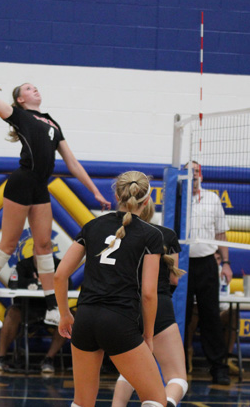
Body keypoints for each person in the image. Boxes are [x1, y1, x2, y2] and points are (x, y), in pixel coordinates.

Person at [0, 83, 111, 330]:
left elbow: (73, 163)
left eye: (35, 87)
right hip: (22, 181)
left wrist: (95, 190)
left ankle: (52, 308)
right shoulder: (19, 115)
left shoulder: (52, 123)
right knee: (9, 244)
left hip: (40, 186)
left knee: (44, 245)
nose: (35, 90)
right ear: (20, 99)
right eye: (28, 88)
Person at [54, 171, 167, 407]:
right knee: (156, 400)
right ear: (146, 201)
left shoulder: (91, 226)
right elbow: (148, 293)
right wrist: (147, 335)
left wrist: (65, 315)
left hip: (84, 319)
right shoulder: (152, 235)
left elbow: (60, 275)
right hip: (118, 321)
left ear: (116, 194)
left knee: (82, 402)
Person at [111, 199, 188, 407]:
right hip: (158, 303)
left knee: (130, 371)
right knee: (177, 378)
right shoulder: (166, 234)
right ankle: (163, 403)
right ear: (149, 209)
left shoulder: (119, 234)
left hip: (125, 307)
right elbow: (174, 279)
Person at [184, 160, 232, 385]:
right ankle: (178, 365)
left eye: (195, 172)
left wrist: (226, 263)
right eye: (189, 172)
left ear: (201, 175)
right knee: (179, 317)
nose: (193, 175)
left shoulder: (212, 199)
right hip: (181, 265)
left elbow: (221, 233)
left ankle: (218, 367)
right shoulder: (178, 199)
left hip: (206, 264)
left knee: (210, 316)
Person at [0, 254, 68, 374]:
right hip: (27, 308)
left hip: (51, 308)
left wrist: (39, 282)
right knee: (12, 313)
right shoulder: (23, 265)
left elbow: (69, 284)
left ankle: (49, 359)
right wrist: (39, 281)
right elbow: (14, 283)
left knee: (69, 317)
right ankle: (0, 357)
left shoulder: (58, 264)